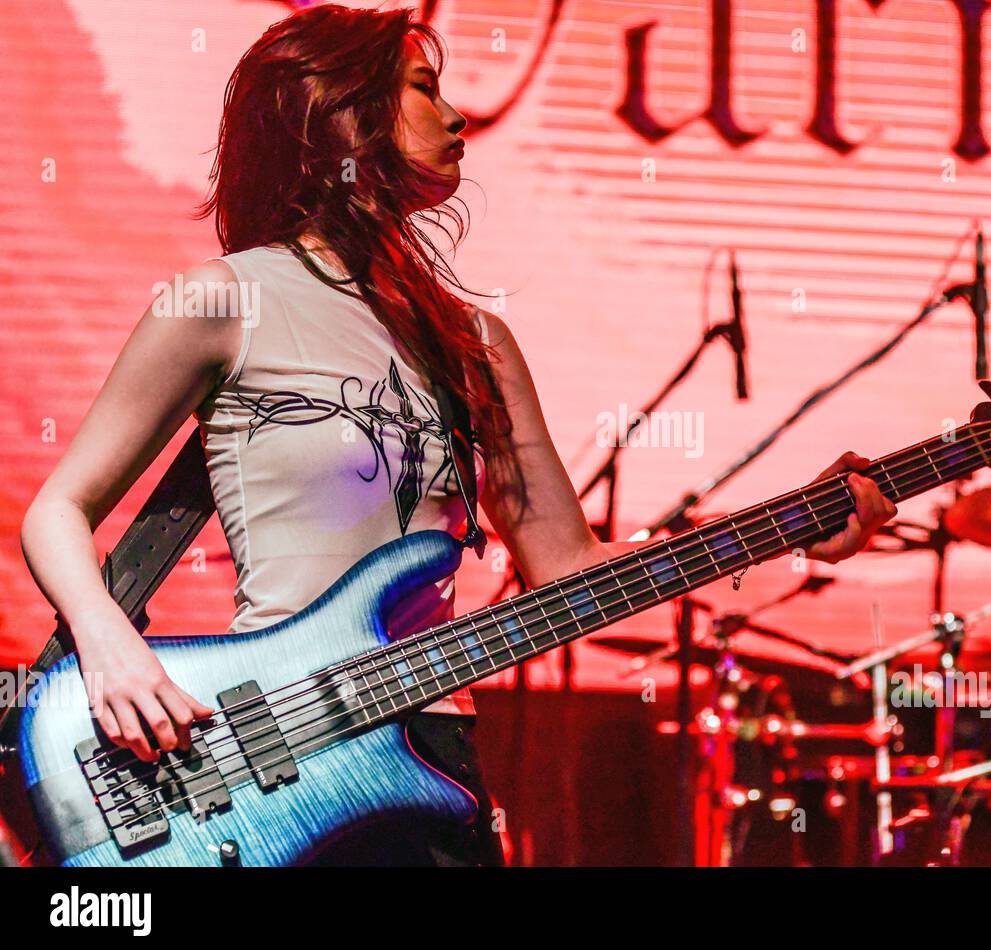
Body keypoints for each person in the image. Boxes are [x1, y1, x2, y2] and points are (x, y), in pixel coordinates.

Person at [18, 5, 896, 866]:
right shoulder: (224, 300)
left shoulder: (474, 343)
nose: (456, 114)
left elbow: (570, 569)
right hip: (263, 747)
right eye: (423, 89)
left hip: (436, 753)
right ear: (341, 112)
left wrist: (789, 528)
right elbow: (58, 507)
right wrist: (111, 653)